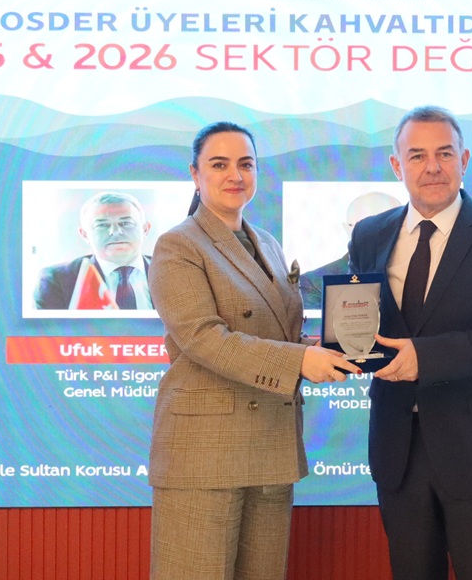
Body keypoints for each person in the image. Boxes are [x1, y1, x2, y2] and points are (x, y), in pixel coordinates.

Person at [148, 121, 362, 579]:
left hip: (271, 441)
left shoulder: (266, 243)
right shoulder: (177, 245)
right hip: (205, 453)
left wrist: (333, 348)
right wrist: (300, 360)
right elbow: (204, 338)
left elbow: (278, 333)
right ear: (195, 174)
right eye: (219, 164)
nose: (235, 175)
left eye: (245, 164)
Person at [348, 106, 472, 580]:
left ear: (464, 160)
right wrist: (338, 344)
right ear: (397, 166)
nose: (432, 167)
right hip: (398, 453)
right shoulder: (369, 234)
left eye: (444, 154)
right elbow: (360, 321)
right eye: (417, 155)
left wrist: (424, 357)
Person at [34, 191, 153, 310]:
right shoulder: (57, 279)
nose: (115, 231)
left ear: (145, 229)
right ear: (84, 235)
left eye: (126, 223)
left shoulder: (164, 271)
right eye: (102, 225)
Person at [299, 190, 402, 309]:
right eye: (367, 227)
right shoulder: (313, 283)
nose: (379, 236)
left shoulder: (417, 273)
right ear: (347, 229)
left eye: (392, 227)